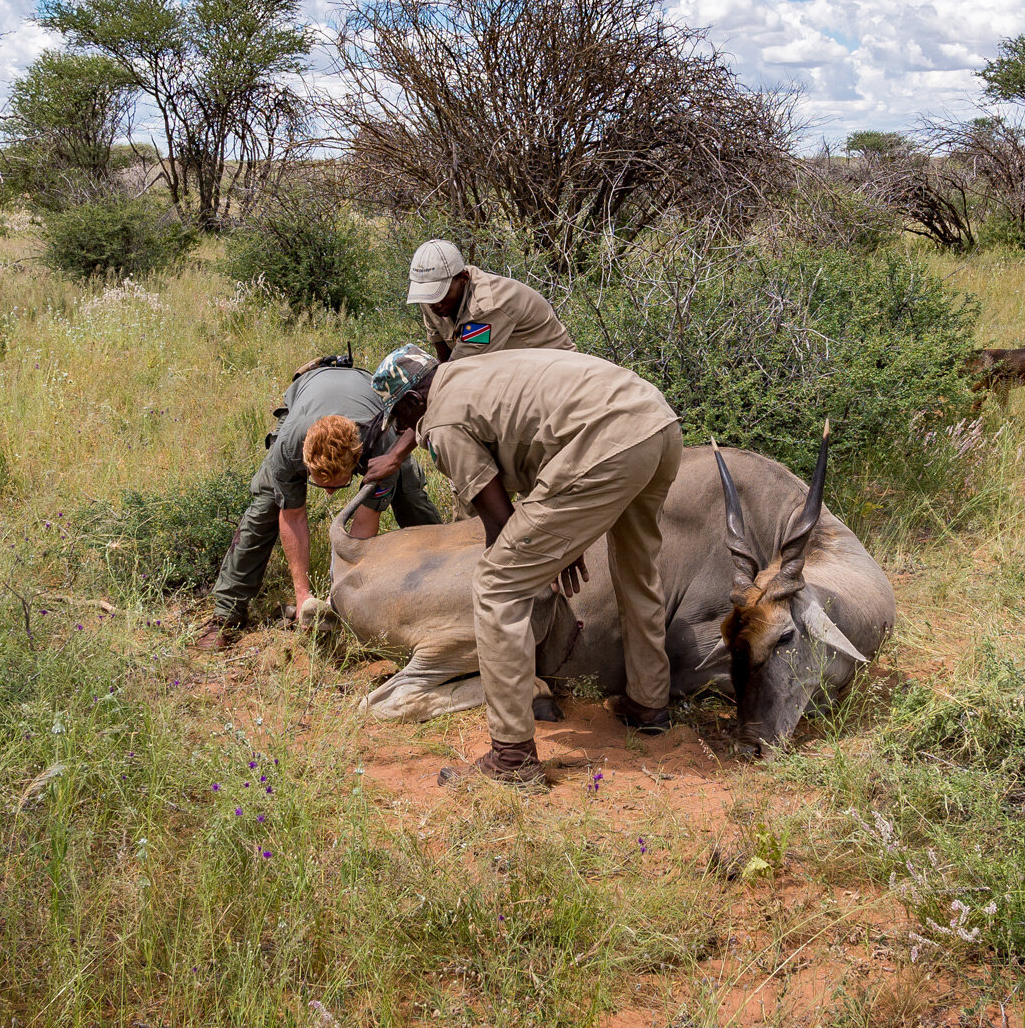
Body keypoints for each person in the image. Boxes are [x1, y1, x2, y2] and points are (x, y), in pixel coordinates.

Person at [382, 344, 678, 787]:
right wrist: (555, 543)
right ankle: (649, 702)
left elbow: (498, 518)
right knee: (637, 568)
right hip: (656, 421)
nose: (404, 429)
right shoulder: (473, 372)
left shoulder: (441, 420)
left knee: (497, 588)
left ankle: (512, 756)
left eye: (400, 418)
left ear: (409, 400)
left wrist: (549, 550)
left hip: (604, 442)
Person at [194, 352, 442, 652]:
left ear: (357, 463)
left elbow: (363, 527)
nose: (328, 495)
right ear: (305, 462)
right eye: (319, 484)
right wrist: (303, 598)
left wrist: (335, 597)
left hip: (368, 410)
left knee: (409, 494)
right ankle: (226, 615)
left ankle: (443, 578)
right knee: (265, 507)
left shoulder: (381, 444)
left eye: (337, 486)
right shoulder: (289, 446)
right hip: (307, 394)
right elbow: (293, 517)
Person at [407, 240, 572, 363]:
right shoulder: (430, 300)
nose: (433, 304)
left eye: (439, 293)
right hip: (511, 367)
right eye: (426, 294)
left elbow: (460, 369)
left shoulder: (487, 307)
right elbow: (443, 357)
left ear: (463, 279)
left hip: (553, 368)